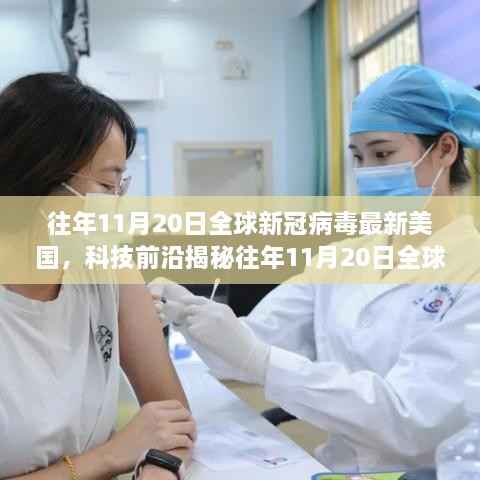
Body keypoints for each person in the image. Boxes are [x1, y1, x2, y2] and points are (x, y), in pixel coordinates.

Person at [149, 65, 480, 473]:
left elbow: (408, 418)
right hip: (335, 467)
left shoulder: (471, 271)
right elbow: (245, 349)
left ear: (445, 150)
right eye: (358, 156)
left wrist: (262, 360)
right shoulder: (341, 259)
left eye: (383, 154)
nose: (367, 172)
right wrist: (191, 314)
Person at [0, 73, 196, 480]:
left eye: (121, 186)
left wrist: (160, 467)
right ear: (38, 177)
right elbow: (125, 447)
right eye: (107, 184)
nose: (116, 204)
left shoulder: (107, 268)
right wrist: (109, 457)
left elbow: (174, 421)